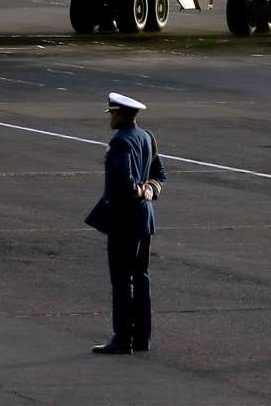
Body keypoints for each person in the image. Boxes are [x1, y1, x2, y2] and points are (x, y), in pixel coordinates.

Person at [86, 91, 167, 355]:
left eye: (113, 113)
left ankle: (123, 337)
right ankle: (142, 337)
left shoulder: (121, 142)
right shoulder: (147, 137)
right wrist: (150, 190)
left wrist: (138, 190)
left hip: (124, 220)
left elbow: (124, 182)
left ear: (121, 114)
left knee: (122, 280)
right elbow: (159, 175)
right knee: (141, 278)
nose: (110, 117)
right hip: (145, 220)